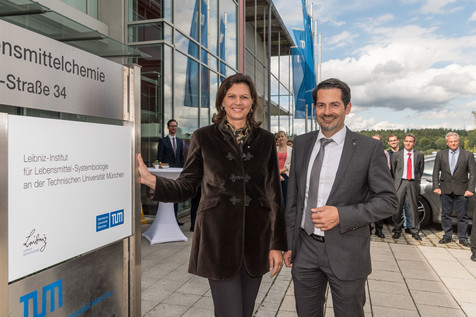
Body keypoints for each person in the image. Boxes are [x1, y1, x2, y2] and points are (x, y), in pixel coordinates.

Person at [138, 73, 287, 317]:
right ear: (222, 101)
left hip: (256, 240)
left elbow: (274, 195)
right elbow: (187, 186)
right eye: (231, 96)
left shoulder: (266, 140)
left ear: (252, 103)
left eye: (244, 97)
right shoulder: (204, 137)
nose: (237, 102)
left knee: (245, 313)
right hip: (217, 239)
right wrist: (151, 180)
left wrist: (277, 244)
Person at [284, 78, 397, 317]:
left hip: (347, 252)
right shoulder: (302, 143)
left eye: (334, 105)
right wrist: (288, 243)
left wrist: (341, 215)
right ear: (314, 108)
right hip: (304, 249)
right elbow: (293, 198)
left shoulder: (368, 148)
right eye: (321, 105)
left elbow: (388, 201)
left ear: (347, 108)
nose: (327, 112)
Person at [432, 132, 475, 247]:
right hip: (445, 189)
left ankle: (463, 238)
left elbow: (473, 173)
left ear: (458, 141)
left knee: (462, 216)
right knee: (445, 214)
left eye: (455, 141)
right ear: (447, 142)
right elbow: (436, 171)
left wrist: (471, 189)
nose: (453, 143)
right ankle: (447, 236)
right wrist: (436, 186)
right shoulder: (441, 154)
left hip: (463, 190)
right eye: (451, 141)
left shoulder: (468, 155)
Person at [391, 133, 424, 241]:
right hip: (400, 183)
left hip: (412, 183)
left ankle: (415, 231)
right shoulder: (397, 155)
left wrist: (416, 183)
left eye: (410, 141)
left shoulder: (419, 155)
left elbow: (420, 171)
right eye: (406, 141)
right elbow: (393, 171)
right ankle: (397, 230)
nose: (408, 143)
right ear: (403, 142)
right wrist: (396, 183)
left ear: (414, 143)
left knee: (413, 208)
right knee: (398, 208)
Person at [157, 119, 185, 225]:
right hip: (167, 173)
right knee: (166, 195)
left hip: (177, 173)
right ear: (168, 127)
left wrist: (183, 170)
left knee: (176, 195)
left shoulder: (180, 141)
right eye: (172, 126)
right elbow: (159, 158)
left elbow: (181, 158)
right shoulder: (163, 141)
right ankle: (164, 219)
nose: (174, 128)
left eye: (175, 126)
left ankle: (174, 219)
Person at [387, 134, 412, 232]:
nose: (393, 142)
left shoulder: (404, 152)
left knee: (407, 205)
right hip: (392, 183)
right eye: (391, 141)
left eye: (394, 140)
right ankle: (396, 225)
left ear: (398, 141)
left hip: (404, 182)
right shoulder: (387, 154)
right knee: (395, 206)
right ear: (388, 143)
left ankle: (408, 226)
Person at [370, 134, 391, 238]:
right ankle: (368, 228)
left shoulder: (385, 153)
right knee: (367, 206)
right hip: (367, 184)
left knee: (378, 207)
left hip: (378, 184)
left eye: (378, 141)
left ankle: (379, 230)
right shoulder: (365, 152)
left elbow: (387, 169)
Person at [276, 131, 292, 205]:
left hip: (286, 175)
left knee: (285, 198)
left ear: (285, 137)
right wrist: (277, 173)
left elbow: (293, 163)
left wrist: (282, 170)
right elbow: (271, 162)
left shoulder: (291, 150)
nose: (280, 138)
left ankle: (285, 215)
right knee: (276, 198)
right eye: (279, 137)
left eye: (282, 136)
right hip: (275, 175)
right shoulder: (274, 149)